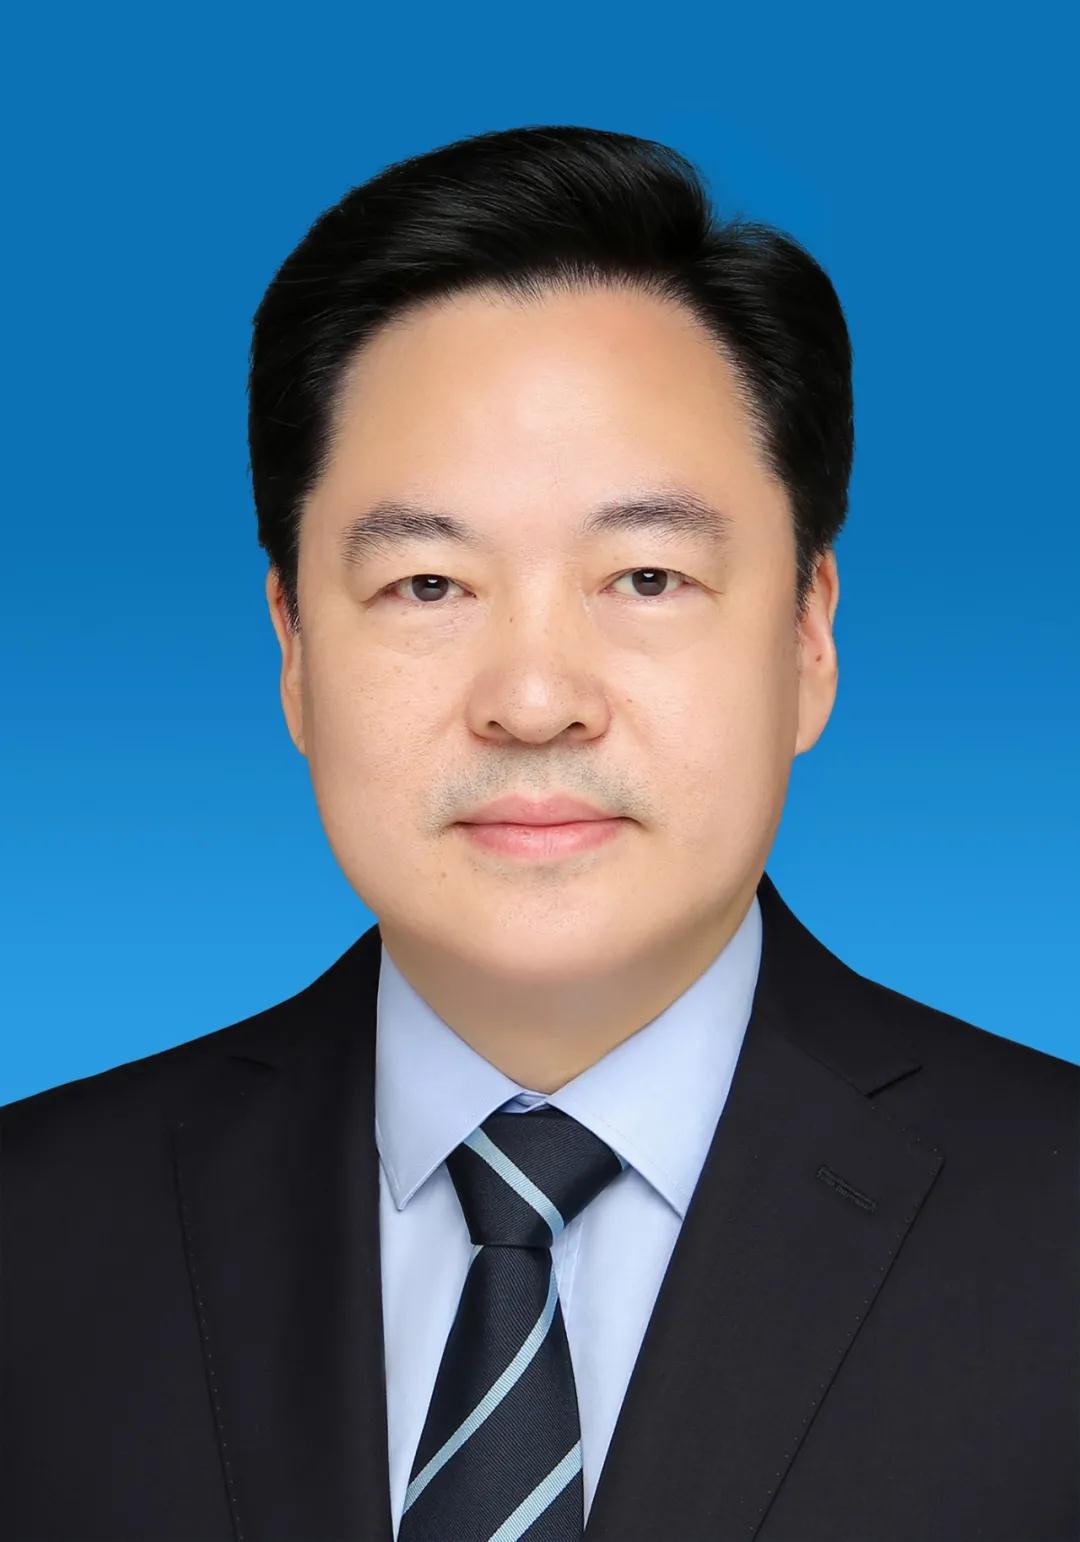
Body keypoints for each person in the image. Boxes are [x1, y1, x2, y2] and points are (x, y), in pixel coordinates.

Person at [1, 124, 1076, 1542]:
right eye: (428, 585)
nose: (532, 700)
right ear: (294, 649)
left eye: (646, 576)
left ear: (809, 636)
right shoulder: (35, 1237)